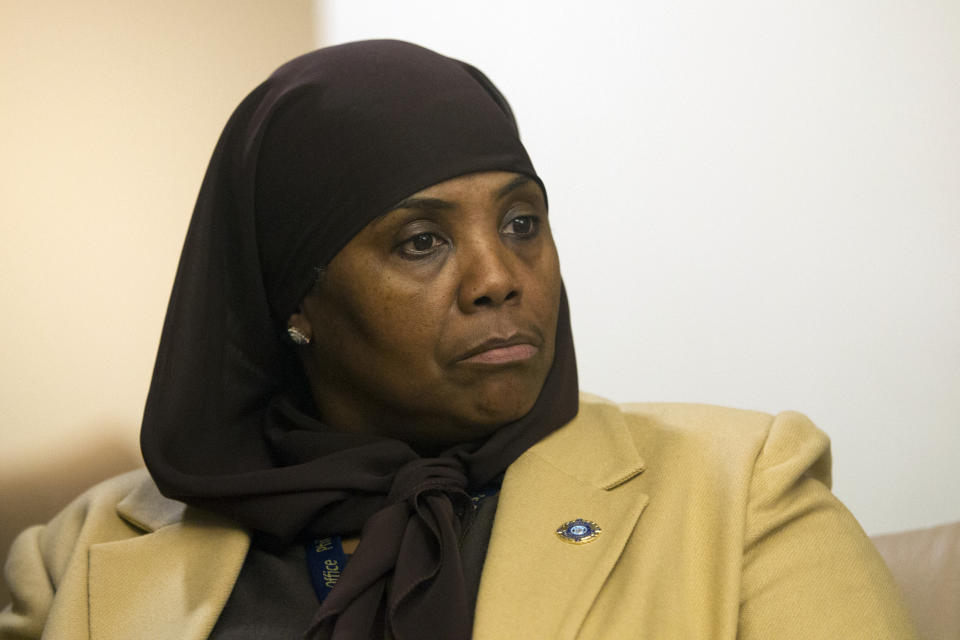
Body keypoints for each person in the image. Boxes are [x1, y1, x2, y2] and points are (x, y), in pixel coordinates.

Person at [0, 40, 917, 639]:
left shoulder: (743, 492)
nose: (499, 277)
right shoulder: (79, 554)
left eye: (522, 223)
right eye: (422, 241)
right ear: (296, 302)